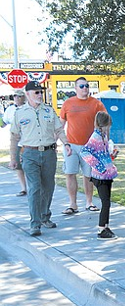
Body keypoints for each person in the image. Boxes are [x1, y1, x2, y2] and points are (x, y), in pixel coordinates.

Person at [9, 81, 72, 236]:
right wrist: (13, 158)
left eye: (40, 92)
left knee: (48, 187)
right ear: (28, 94)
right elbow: (14, 137)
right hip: (30, 154)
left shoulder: (49, 111)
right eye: (36, 92)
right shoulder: (20, 113)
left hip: (49, 153)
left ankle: (45, 216)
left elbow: (59, 129)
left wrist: (66, 143)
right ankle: (35, 223)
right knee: (35, 188)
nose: (39, 95)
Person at [60, 77, 107, 215]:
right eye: (81, 86)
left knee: (88, 175)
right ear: (75, 88)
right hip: (71, 145)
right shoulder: (68, 104)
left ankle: (89, 202)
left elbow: (104, 124)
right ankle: (72, 204)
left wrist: (104, 141)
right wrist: (63, 143)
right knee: (70, 173)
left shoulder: (96, 104)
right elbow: (60, 125)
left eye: (87, 85)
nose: (85, 88)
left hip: (90, 147)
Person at [80, 111, 119, 239]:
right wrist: (99, 167)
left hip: (107, 174)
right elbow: (85, 152)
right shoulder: (95, 138)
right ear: (103, 125)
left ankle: (106, 225)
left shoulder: (103, 137)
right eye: (108, 126)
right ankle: (101, 228)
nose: (109, 128)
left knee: (107, 202)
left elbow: (104, 154)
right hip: (100, 176)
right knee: (105, 202)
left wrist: (112, 155)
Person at [3, 90, 28, 196]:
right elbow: (4, 122)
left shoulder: (28, 108)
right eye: (14, 96)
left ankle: (33, 187)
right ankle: (23, 188)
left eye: (19, 96)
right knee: (18, 165)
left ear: (23, 97)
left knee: (30, 165)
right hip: (16, 141)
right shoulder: (10, 109)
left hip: (28, 141)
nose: (16, 98)